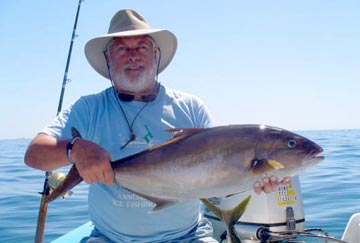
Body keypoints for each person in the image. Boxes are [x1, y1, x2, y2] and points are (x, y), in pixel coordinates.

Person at [25, 9, 286, 243]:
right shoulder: (89, 108)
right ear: (107, 58)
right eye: (122, 49)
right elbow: (34, 154)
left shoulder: (190, 107)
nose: (133, 56)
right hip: (109, 239)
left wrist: (252, 180)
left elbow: (218, 176)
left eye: (141, 47)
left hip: (188, 237)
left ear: (156, 54)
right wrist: (74, 149)